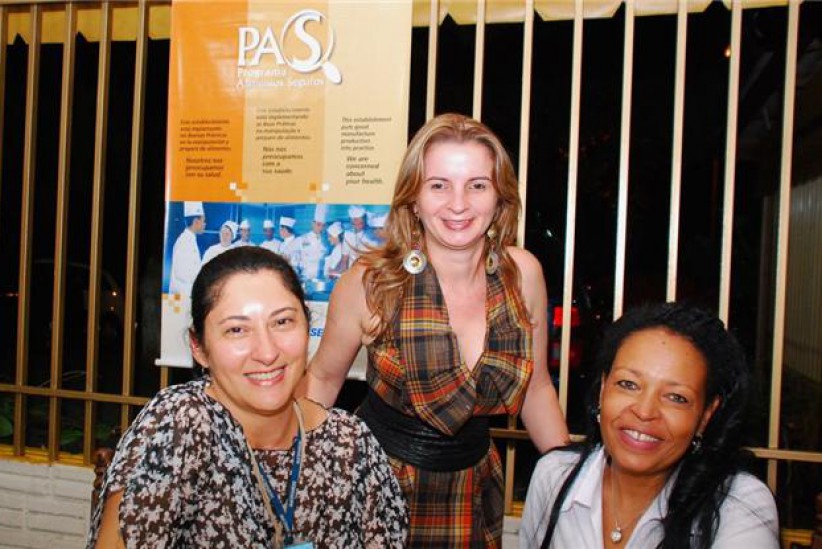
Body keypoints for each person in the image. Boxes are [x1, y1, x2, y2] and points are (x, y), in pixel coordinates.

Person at [304, 113, 569, 547]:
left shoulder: (523, 275)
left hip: (475, 486)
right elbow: (322, 378)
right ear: (413, 198)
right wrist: (297, 474)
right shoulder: (371, 282)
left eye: (477, 185)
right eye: (439, 185)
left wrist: (569, 478)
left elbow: (536, 388)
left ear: (500, 198)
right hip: (376, 484)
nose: (458, 204)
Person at [88, 247, 408, 548]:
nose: (267, 352)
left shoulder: (349, 443)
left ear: (308, 327)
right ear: (199, 347)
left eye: (282, 322)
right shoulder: (181, 425)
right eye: (237, 330)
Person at [519, 302, 779, 549]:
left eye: (676, 397)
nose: (644, 412)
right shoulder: (554, 476)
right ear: (603, 389)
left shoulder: (739, 504)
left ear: (705, 416)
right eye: (628, 384)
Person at [169, 201, 205, 296]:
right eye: (203, 221)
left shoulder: (190, 240)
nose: (204, 224)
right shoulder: (184, 242)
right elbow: (182, 273)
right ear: (196, 221)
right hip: (182, 296)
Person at [299, 205, 329, 280]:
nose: (321, 228)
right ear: (313, 223)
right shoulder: (303, 238)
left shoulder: (327, 241)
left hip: (320, 277)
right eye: (318, 225)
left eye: (323, 226)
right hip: (305, 276)